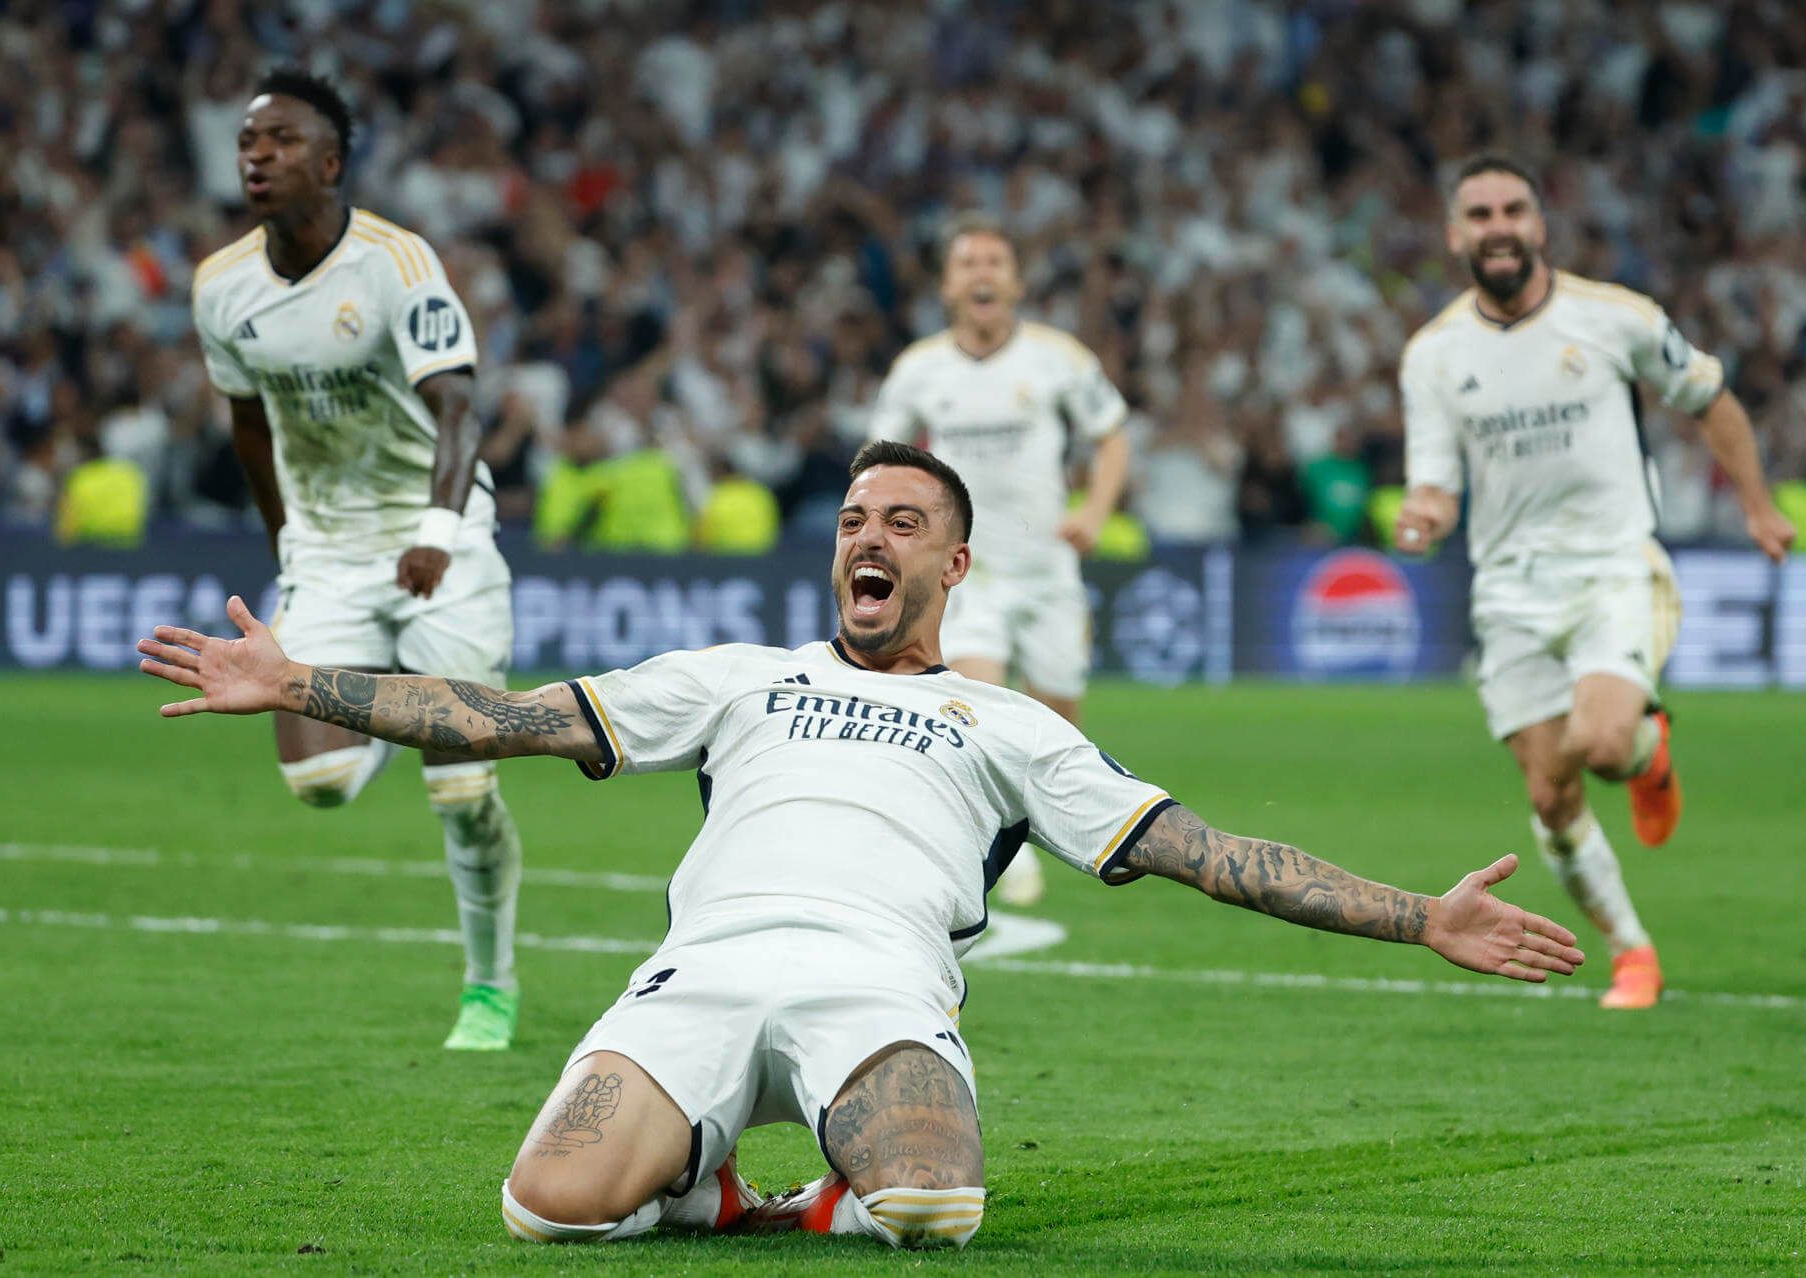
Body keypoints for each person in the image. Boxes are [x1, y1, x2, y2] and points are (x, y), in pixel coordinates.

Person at [139, 440, 1586, 1252]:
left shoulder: (1009, 723)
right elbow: (508, 715)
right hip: (697, 975)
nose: (864, 538)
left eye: (901, 520)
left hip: (877, 988)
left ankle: (810, 1181)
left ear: (955, 561)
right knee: (541, 1207)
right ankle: (718, 1192)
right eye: (849, 519)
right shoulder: (737, 676)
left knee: (935, 1206)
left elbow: (1207, 850)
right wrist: (301, 684)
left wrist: (1420, 916)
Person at [1395, 155, 1795, 1011]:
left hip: (1613, 566)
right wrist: (1423, 516)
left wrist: (1758, 508)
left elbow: (1712, 399)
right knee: (1550, 790)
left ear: (1539, 225)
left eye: (1513, 209)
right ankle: (1632, 951)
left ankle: (1650, 756)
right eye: (1479, 213)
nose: (1497, 226)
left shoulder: (1615, 317)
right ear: (1455, 235)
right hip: (1508, 591)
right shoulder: (1432, 355)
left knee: (1606, 743)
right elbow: (1433, 478)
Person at [187, 68, 524, 1050]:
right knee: (321, 785)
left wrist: (437, 531)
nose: (257, 156)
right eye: (249, 141)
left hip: (437, 535)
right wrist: (287, 546)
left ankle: (490, 987)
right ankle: (400, 695)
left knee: (462, 791)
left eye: (282, 140)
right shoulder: (222, 287)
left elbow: (459, 402)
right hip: (329, 553)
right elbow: (249, 425)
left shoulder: (396, 263)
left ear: (330, 163)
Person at [868, 213, 1132, 908]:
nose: (982, 272)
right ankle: (996, 847)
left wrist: (1094, 513)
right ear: (948, 285)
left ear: (1014, 282)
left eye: (995, 261)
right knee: (976, 706)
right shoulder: (918, 370)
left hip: (1047, 571)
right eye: (967, 263)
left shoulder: (1058, 358)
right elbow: (881, 464)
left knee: (1058, 726)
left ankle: (1037, 828)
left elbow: (1112, 440)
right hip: (966, 573)